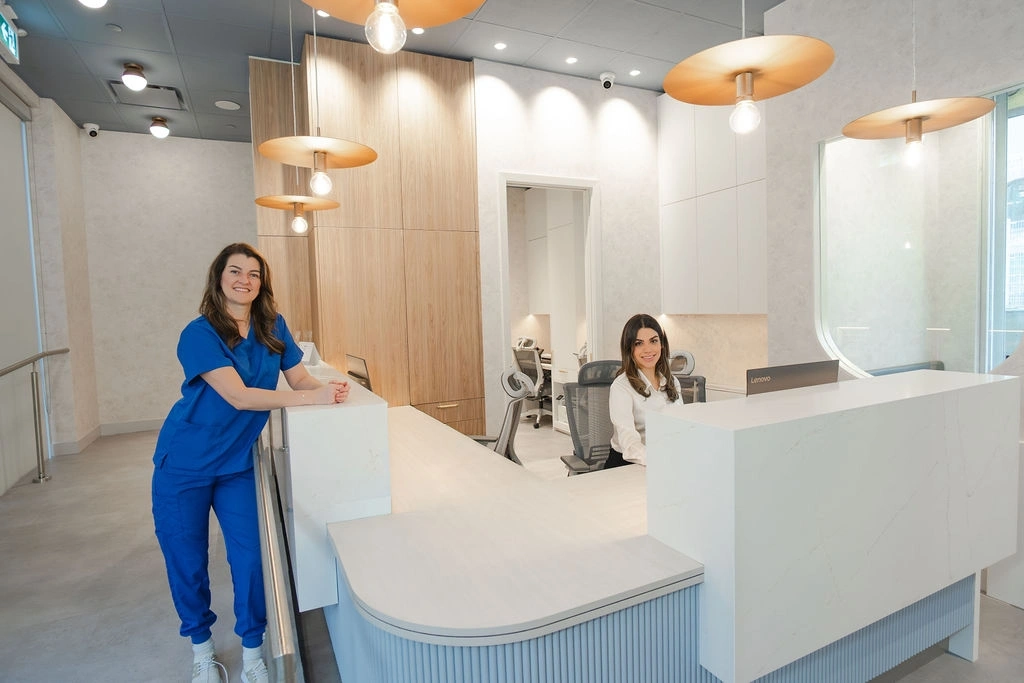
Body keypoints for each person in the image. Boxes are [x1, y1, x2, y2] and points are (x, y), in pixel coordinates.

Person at [151, 243, 349, 683]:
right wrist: (310, 398)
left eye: (254, 274)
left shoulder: (273, 325)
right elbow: (238, 396)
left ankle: (253, 652)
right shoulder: (199, 333)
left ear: (263, 282)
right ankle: (202, 650)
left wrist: (328, 391)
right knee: (187, 559)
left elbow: (299, 377)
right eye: (236, 271)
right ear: (219, 278)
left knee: (252, 559)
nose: (245, 280)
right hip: (185, 463)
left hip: (237, 463)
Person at [607, 313, 682, 468]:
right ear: (629, 349)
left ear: (662, 344)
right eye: (639, 343)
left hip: (666, 458)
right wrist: (661, 461)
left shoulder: (672, 381)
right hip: (628, 464)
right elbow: (629, 443)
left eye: (653, 341)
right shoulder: (621, 387)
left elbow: (680, 427)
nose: (648, 349)